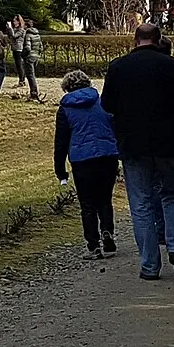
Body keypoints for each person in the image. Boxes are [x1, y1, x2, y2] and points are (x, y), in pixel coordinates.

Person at [101, 25, 174, 280]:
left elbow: (107, 105)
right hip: (170, 141)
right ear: (159, 39)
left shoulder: (118, 67)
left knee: (141, 202)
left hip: (134, 143)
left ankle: (150, 264)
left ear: (135, 40)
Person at [54, 69, 120, 259]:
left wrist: (60, 169)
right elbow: (114, 126)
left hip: (82, 158)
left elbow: (61, 141)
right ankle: (107, 232)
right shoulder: (102, 102)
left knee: (87, 203)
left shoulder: (65, 109)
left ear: (66, 88)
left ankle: (93, 246)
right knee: (105, 199)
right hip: (107, 154)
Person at [12, 16, 45, 102]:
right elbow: (41, 47)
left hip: (29, 57)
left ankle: (34, 93)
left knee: (30, 76)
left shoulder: (28, 35)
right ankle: (34, 92)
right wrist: (37, 54)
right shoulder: (37, 34)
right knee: (32, 75)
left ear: (26, 26)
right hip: (36, 56)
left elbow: (27, 48)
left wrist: (23, 55)